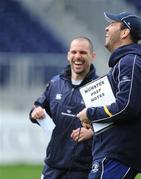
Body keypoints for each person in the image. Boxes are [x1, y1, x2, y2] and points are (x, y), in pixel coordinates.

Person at [77, 12, 141, 179]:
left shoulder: (130, 62)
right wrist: (95, 129)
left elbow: (126, 107)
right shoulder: (125, 62)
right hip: (111, 152)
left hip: (117, 154)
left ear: (125, 32)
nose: (106, 27)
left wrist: (91, 114)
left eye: (112, 24)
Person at [29, 36, 98, 179]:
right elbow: (38, 108)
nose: (77, 56)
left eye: (83, 52)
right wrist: (35, 113)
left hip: (83, 170)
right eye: (74, 52)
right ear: (68, 55)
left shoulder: (100, 87)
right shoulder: (55, 83)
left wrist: (92, 132)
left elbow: (113, 127)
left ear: (93, 56)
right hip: (52, 168)